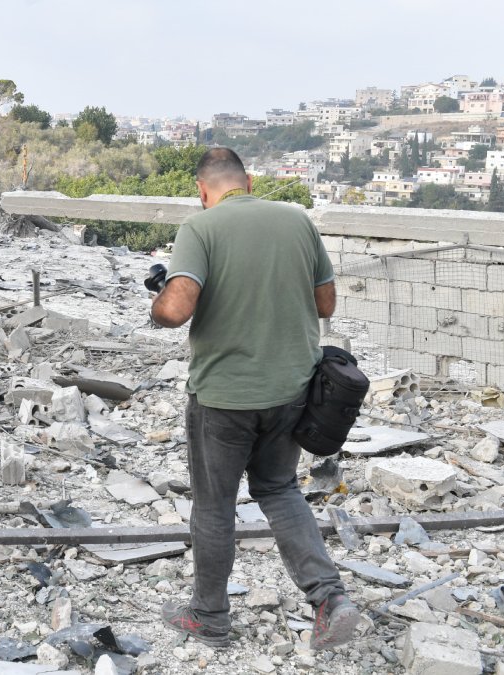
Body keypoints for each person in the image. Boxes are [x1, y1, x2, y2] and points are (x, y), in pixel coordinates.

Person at [150, 147, 358, 651]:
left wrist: (157, 299)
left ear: (202, 190)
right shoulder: (297, 220)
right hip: (292, 391)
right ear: (248, 182)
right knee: (279, 490)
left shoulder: (200, 228)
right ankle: (329, 599)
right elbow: (325, 303)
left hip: (224, 396)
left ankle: (209, 618)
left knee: (214, 507)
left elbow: (175, 310)